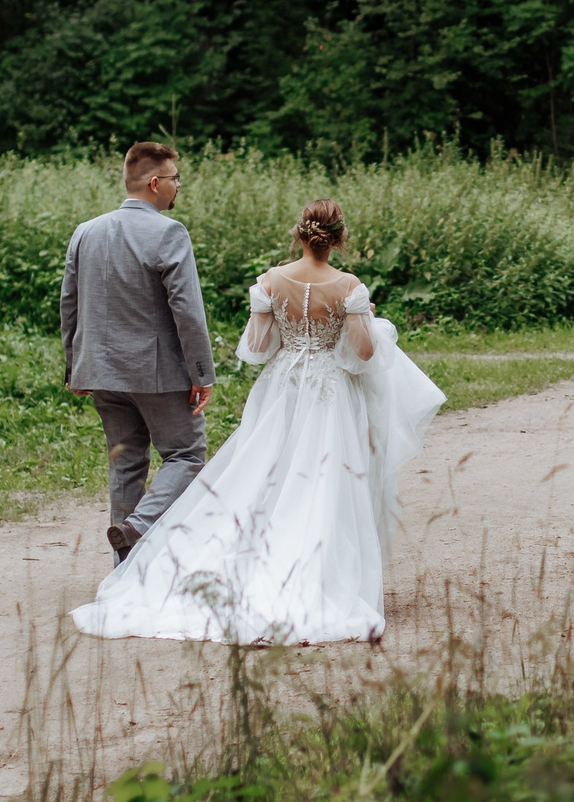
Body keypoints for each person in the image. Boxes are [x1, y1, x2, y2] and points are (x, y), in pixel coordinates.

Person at [70, 198, 445, 645]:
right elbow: (364, 353)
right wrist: (371, 322)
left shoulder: (270, 280)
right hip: (330, 393)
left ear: (300, 234)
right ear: (339, 239)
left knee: (263, 473)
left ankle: (227, 558)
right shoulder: (350, 287)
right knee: (325, 479)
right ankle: (318, 571)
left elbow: (257, 348)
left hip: (282, 389)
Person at [61, 141, 218, 564]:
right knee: (186, 455)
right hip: (157, 374)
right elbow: (188, 309)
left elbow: (69, 303)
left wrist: (75, 367)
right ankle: (137, 526)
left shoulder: (85, 232)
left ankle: (123, 572)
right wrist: (202, 372)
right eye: (174, 178)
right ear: (154, 183)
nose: (178, 186)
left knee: (125, 462)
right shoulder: (169, 232)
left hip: (100, 371)